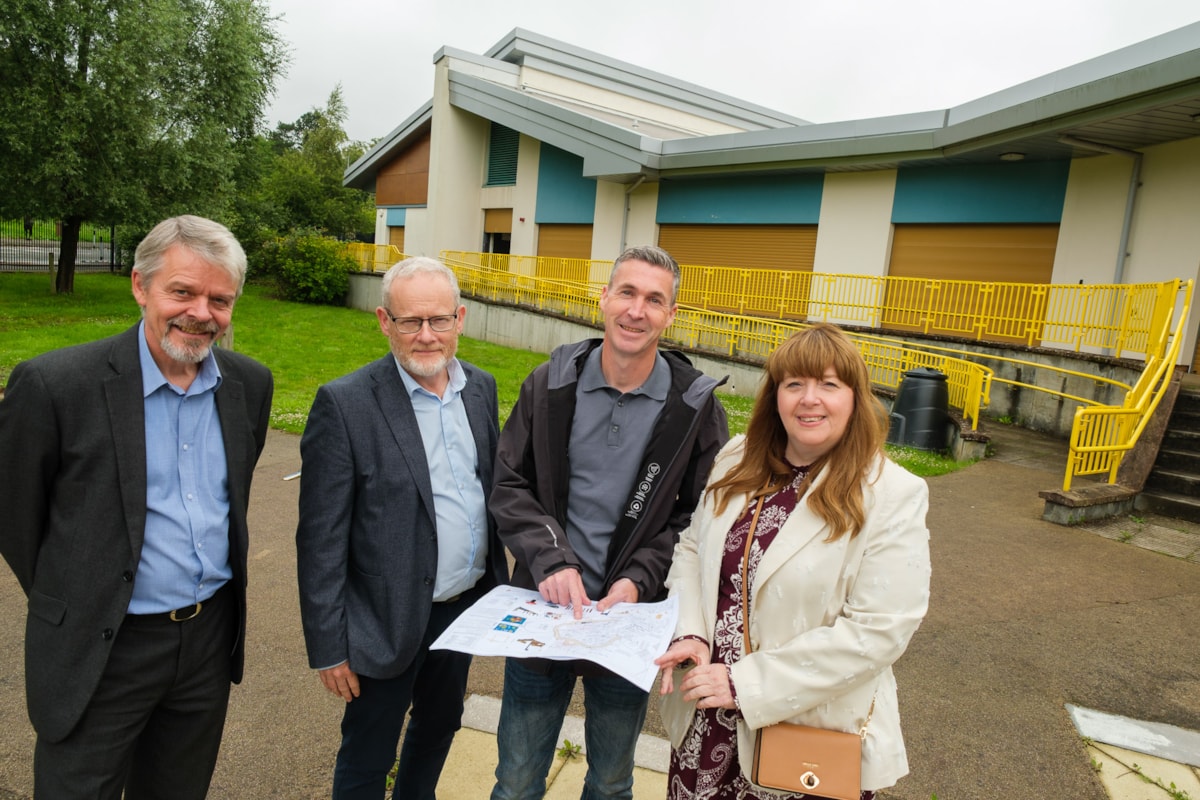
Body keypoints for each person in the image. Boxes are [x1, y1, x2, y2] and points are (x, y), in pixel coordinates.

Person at [0, 214, 274, 799]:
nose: (202, 312)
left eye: (219, 299)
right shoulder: (55, 386)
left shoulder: (249, 384)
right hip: (103, 645)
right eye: (183, 291)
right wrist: (78, 595)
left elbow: (235, 497)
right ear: (139, 286)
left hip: (206, 642)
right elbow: (17, 518)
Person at [489, 245, 730, 800]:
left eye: (654, 299)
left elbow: (697, 519)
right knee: (517, 779)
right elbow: (509, 484)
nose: (636, 311)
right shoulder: (549, 384)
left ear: (671, 315)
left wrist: (638, 579)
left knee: (611, 782)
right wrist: (550, 559)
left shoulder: (694, 407)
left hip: (629, 623)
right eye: (627, 292)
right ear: (603, 298)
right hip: (543, 612)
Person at [654, 323, 932, 800]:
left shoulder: (892, 494)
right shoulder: (737, 457)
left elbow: (878, 631)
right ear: (775, 394)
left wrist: (744, 683)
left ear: (855, 397)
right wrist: (691, 632)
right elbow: (692, 548)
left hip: (805, 734)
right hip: (706, 721)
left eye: (829, 384)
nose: (810, 399)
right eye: (795, 383)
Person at [296, 256, 508, 800]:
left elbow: (489, 495)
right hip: (380, 620)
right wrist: (328, 646)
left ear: (460, 319)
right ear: (384, 321)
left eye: (438, 320)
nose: (426, 335)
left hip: (459, 610)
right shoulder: (345, 404)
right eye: (410, 321)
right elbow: (319, 538)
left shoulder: (480, 389)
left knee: (439, 728)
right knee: (368, 754)